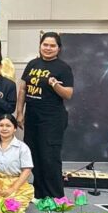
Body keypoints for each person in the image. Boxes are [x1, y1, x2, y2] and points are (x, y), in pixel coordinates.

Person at [18, 31, 74, 200]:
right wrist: (19, 112)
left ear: (58, 48)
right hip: (32, 116)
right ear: (40, 46)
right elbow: (23, 89)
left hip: (52, 119)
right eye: (45, 45)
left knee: (49, 157)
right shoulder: (32, 64)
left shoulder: (63, 68)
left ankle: (56, 196)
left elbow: (68, 94)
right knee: (34, 155)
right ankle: (40, 193)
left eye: (52, 45)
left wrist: (55, 85)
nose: (48, 48)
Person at [0, 114, 35, 213]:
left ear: (15, 128)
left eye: (8, 126)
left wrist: (13, 188)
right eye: (1, 125)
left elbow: (27, 170)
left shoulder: (22, 147)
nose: (4, 128)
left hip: (17, 185)